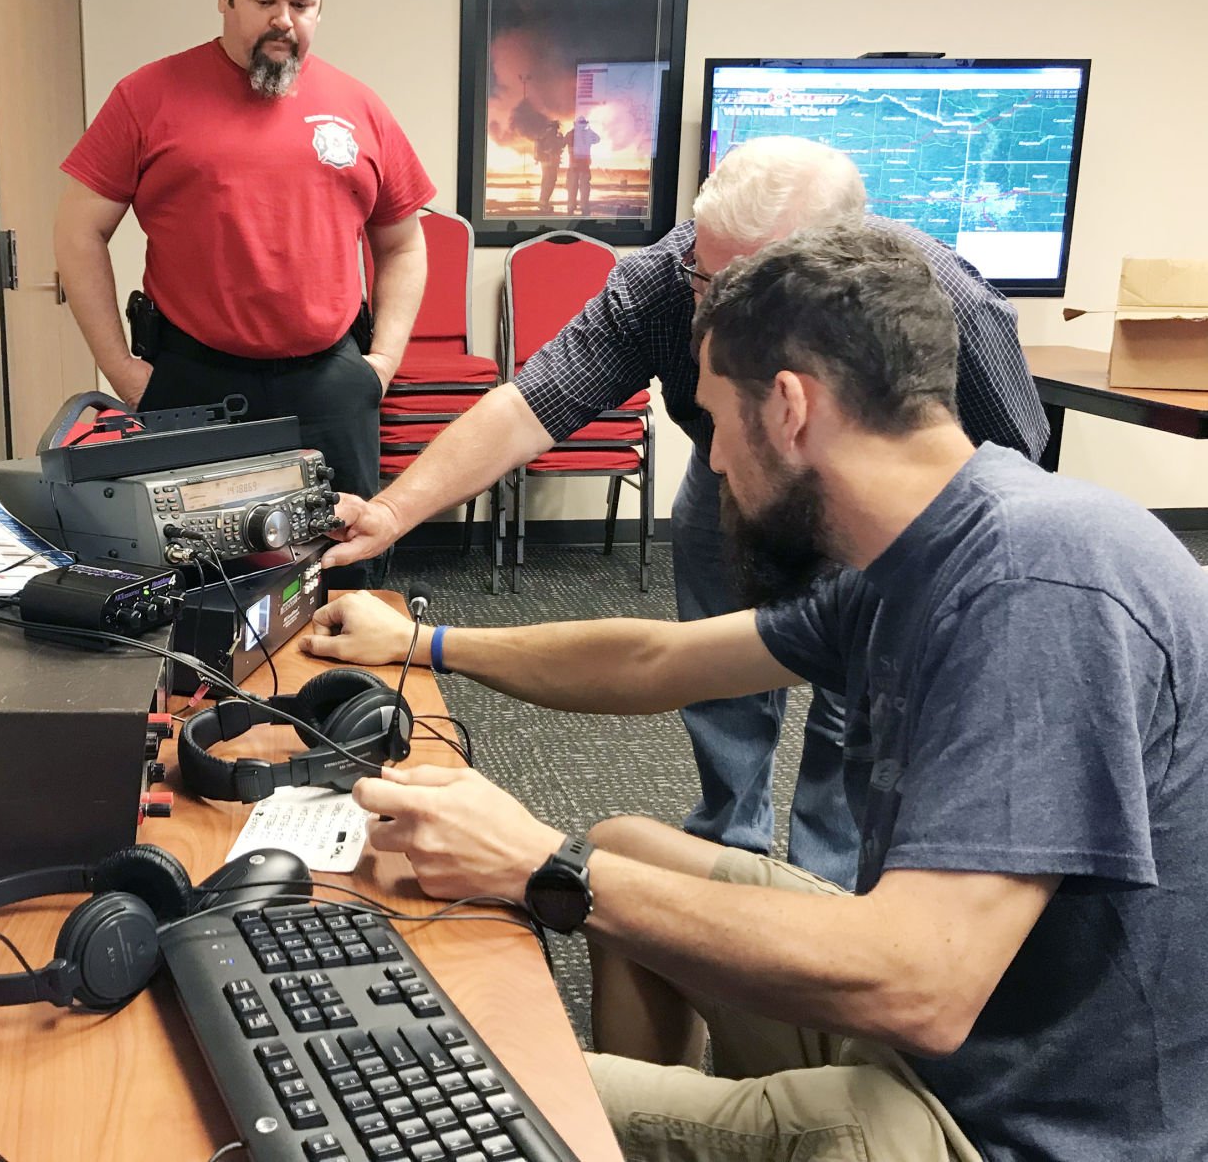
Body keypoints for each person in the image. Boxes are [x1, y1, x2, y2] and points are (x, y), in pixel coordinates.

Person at [304, 223, 1208, 1161]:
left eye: (714, 421)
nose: (717, 462)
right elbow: (654, 661)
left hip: (1011, 1127)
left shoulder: (1035, 585)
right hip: (963, 1045)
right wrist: (426, 641)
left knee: (466, 1076)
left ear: (788, 408)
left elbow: (920, 987)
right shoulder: (925, 550)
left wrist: (541, 865)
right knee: (621, 847)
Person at [325, 136, 1048, 886]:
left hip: (892, 513)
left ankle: (831, 880)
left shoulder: (951, 302)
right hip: (739, 471)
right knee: (721, 667)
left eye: (738, 286)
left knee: (859, 696)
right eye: (703, 274)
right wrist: (394, 514)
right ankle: (729, 852)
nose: (709, 307)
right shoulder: (666, 284)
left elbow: (1012, 469)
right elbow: (530, 409)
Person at [53, 0, 434, 586]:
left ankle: (341, 694)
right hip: (193, 385)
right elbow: (78, 231)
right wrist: (120, 367)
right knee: (196, 579)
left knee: (344, 572)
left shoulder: (358, 107)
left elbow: (403, 242)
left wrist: (382, 363)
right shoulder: (148, 97)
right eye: (264, 1)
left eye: (301, 4)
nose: (283, 20)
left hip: (331, 384)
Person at [563, 115, 600, 215]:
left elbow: (563, 143)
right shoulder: (587, 133)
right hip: (584, 166)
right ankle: (584, 207)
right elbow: (597, 139)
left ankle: (571, 207)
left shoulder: (571, 134)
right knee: (584, 188)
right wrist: (590, 130)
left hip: (574, 165)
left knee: (572, 187)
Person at [533, 119, 565, 211]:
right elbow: (558, 146)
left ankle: (542, 202)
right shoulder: (552, 136)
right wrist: (561, 138)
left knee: (545, 182)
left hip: (544, 163)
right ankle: (544, 203)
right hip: (550, 163)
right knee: (550, 182)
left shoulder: (544, 135)